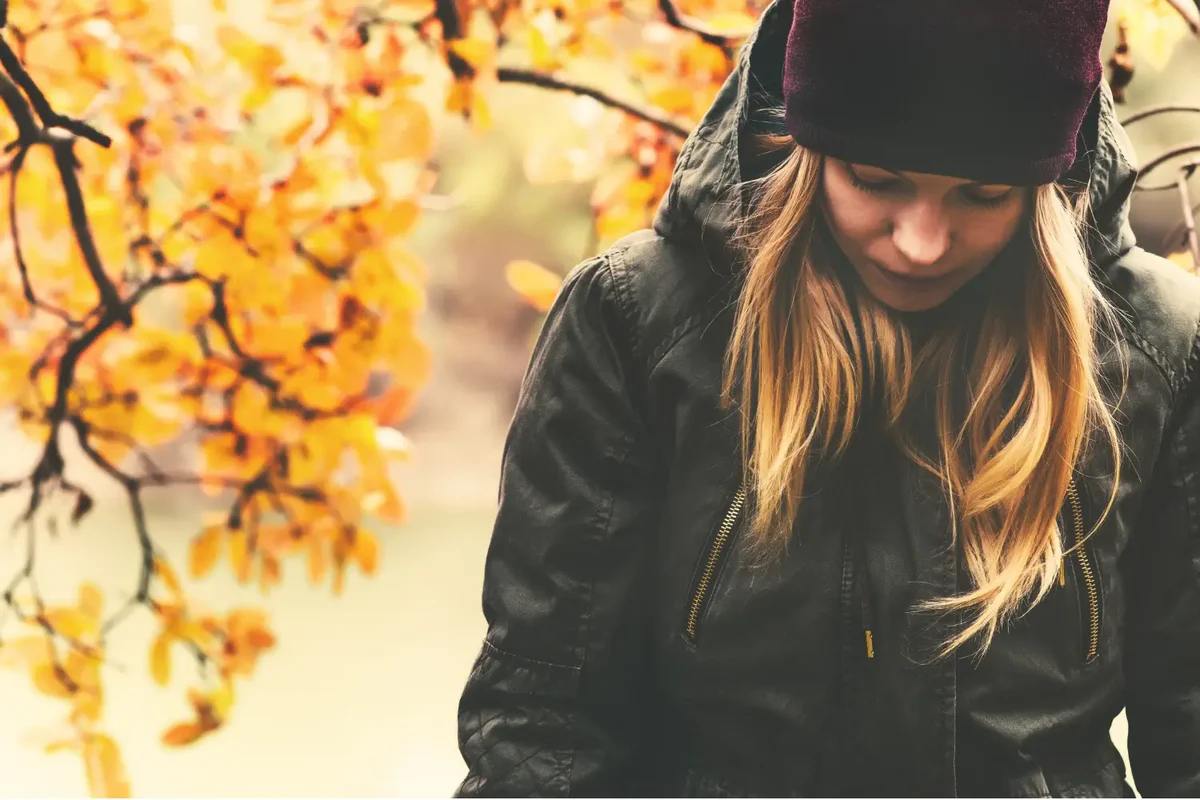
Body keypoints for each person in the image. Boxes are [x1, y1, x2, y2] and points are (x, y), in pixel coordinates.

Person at [452, 0, 1200, 795]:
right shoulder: (633, 324)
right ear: (804, 144)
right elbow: (545, 726)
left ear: (1050, 182)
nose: (921, 241)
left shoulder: (1163, 352)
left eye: (982, 196)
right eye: (876, 180)